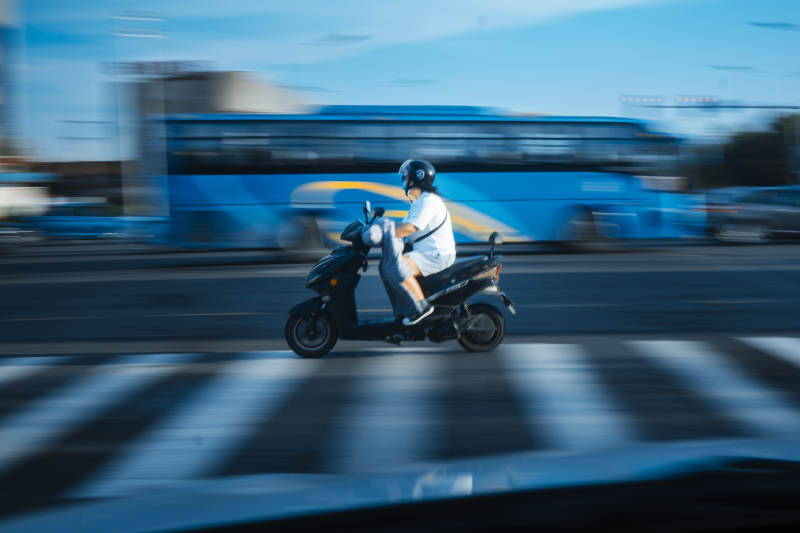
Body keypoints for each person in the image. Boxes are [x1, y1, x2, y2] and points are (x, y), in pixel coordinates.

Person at [393, 159, 456, 325]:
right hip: (426, 253)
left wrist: (385, 233)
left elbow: (411, 228)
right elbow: (401, 226)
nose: (403, 180)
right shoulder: (419, 203)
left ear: (416, 178)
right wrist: (383, 227)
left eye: (406, 176)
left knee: (397, 267)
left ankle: (422, 308)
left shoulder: (429, 201)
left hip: (436, 255)